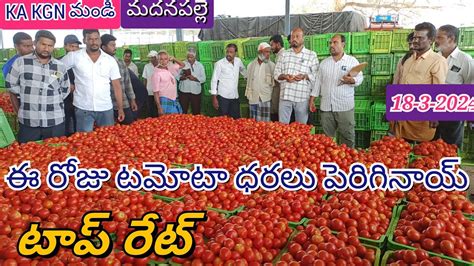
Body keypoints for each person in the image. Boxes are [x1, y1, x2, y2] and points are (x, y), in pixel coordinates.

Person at [6, 30, 70, 143]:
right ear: (35, 43)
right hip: (29, 121)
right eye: (43, 44)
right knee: (27, 155)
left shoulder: (60, 67)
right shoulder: (21, 63)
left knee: (55, 154)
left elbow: (65, 89)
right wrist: (27, 93)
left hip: (55, 120)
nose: (46, 48)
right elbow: (11, 85)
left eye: (50, 45)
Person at [394, 22, 448, 143]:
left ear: (431, 40)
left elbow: (439, 89)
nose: (415, 41)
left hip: (421, 116)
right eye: (414, 37)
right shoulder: (408, 59)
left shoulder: (437, 61)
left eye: (420, 38)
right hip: (403, 114)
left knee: (420, 151)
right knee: (401, 150)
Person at [61, 29, 125, 132]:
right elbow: (55, 70)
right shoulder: (74, 56)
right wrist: (66, 84)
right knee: (84, 141)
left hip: (105, 107)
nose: (94, 42)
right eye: (90, 39)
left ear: (100, 40)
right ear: (84, 40)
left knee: (107, 140)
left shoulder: (110, 60)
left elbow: (117, 85)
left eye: (96, 39)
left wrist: (120, 108)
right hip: (83, 107)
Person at [309, 34, 363, 148]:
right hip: (326, 107)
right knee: (327, 139)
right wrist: (312, 99)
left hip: (344, 107)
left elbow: (360, 78)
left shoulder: (351, 61)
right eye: (330, 43)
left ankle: (348, 162)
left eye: (335, 42)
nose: (331, 45)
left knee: (347, 137)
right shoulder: (324, 63)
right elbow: (318, 82)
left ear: (343, 44)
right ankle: (331, 160)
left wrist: (352, 80)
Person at [433, 24, 474, 149]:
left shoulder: (465, 60)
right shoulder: (435, 57)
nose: (436, 40)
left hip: (453, 110)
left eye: (439, 37)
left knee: (451, 146)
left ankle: (452, 167)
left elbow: (470, 86)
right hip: (432, 107)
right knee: (430, 147)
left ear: (451, 39)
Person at [274, 27, 319, 124]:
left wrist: (305, 76)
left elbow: (316, 75)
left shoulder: (311, 55)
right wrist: (285, 76)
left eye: (297, 36)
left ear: (303, 39)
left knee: (301, 127)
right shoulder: (284, 55)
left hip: (302, 97)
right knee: (282, 128)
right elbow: (276, 73)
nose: (294, 39)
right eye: (293, 37)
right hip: (285, 96)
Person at [101, 34, 137, 125]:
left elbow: (127, 83)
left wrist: (132, 100)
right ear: (104, 47)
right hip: (105, 104)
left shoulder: (120, 62)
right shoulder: (98, 63)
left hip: (123, 102)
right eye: (112, 45)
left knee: (128, 126)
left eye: (115, 45)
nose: (115, 47)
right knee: (108, 131)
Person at [210, 44, 247, 119]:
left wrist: (247, 77)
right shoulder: (219, 64)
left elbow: (243, 70)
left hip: (234, 96)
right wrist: (214, 98)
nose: (228, 54)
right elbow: (214, 80)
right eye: (227, 52)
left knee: (236, 119)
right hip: (223, 96)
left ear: (235, 53)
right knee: (223, 120)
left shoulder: (238, 61)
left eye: (231, 52)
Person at [245, 42, 275, 122]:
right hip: (253, 97)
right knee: (254, 124)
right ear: (260, 52)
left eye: (269, 52)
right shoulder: (250, 66)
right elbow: (248, 80)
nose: (268, 54)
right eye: (266, 52)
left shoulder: (272, 66)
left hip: (265, 98)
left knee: (266, 124)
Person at [152, 50, 185, 115]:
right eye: (161, 59)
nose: (163, 61)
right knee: (167, 122)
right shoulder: (156, 73)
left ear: (168, 60)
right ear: (158, 60)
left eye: (165, 59)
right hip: (164, 100)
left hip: (174, 98)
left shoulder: (171, 67)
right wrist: (159, 107)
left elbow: (183, 65)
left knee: (176, 121)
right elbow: (155, 92)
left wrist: (174, 59)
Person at [61, 35, 82, 136]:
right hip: (65, 98)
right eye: (71, 46)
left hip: (80, 98)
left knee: (79, 121)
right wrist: (67, 83)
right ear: (65, 46)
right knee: (65, 120)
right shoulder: (58, 61)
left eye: (76, 47)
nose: (73, 49)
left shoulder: (82, 61)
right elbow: (52, 74)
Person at [178, 48, 206, 115]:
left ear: (195, 56)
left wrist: (194, 78)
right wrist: (182, 77)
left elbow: (203, 78)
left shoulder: (200, 65)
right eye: (188, 57)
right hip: (184, 91)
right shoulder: (182, 64)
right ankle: (182, 123)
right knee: (183, 110)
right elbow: (176, 76)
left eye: (191, 57)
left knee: (196, 110)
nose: (189, 59)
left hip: (195, 91)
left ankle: (196, 123)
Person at [269, 34, 286, 122]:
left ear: (278, 44)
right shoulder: (279, 56)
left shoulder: (283, 56)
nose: (271, 47)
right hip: (278, 86)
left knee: (277, 110)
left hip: (280, 86)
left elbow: (281, 75)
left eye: (272, 45)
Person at [143, 50, 160, 117]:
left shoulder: (160, 66)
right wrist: (144, 90)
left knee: (158, 107)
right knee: (150, 108)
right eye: (150, 57)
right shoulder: (147, 66)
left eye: (153, 57)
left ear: (156, 57)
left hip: (159, 91)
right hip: (149, 91)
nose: (151, 59)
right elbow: (145, 79)